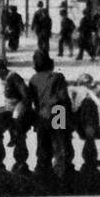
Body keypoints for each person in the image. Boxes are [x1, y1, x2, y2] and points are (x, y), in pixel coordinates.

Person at [28, 50, 72, 179]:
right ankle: (60, 175)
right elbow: (64, 97)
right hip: (58, 111)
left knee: (43, 146)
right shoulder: (58, 77)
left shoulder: (33, 79)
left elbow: (33, 100)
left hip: (42, 114)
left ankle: (44, 174)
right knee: (59, 144)